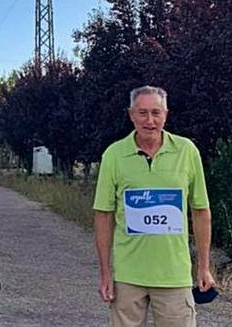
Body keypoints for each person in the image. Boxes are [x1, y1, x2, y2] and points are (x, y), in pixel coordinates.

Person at [93, 86, 215, 327]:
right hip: (128, 276)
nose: (149, 121)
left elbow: (200, 211)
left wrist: (204, 267)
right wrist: (106, 272)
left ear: (166, 114)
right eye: (142, 113)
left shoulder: (187, 151)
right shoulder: (114, 155)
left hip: (174, 276)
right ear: (131, 115)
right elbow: (103, 216)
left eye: (156, 113)